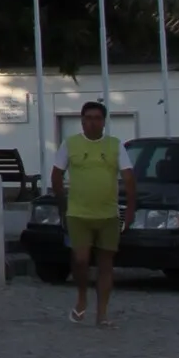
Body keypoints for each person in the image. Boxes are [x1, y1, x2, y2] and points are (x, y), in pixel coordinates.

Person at [52, 99, 138, 327]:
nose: (92, 123)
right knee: (80, 260)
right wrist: (62, 204)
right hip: (79, 213)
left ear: (103, 122)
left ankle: (102, 313)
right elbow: (56, 175)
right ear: (81, 121)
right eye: (88, 118)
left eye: (97, 118)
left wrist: (130, 209)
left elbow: (128, 178)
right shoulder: (70, 144)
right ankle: (82, 298)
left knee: (105, 264)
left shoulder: (114, 145)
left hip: (108, 214)